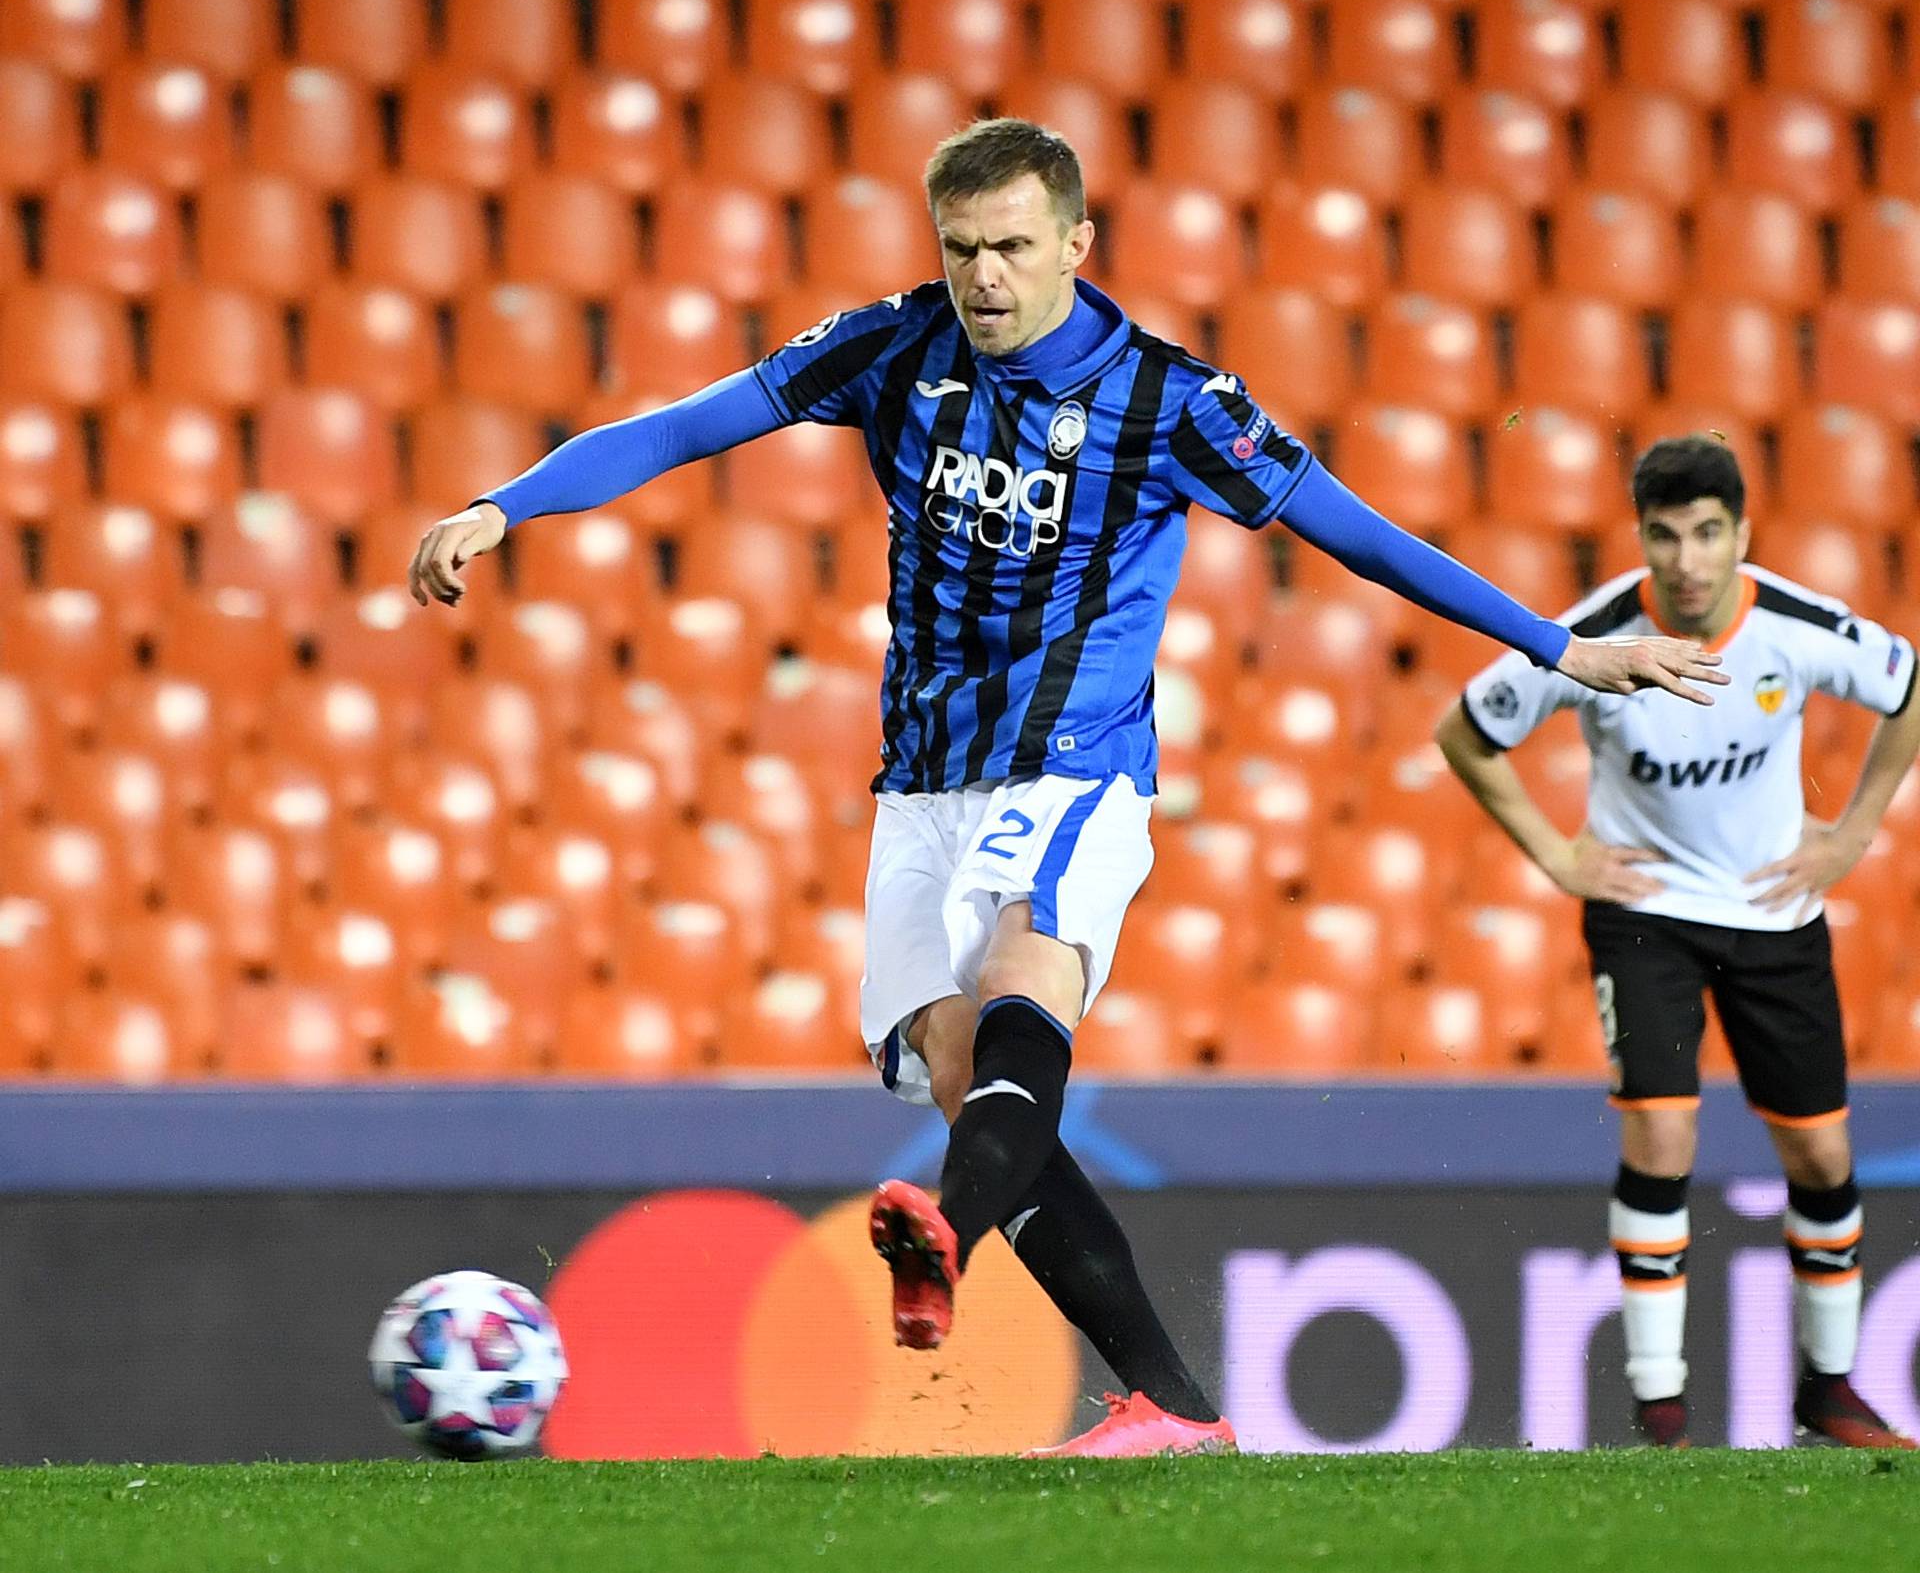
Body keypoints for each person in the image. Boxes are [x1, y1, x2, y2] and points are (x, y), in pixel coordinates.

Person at [410, 119, 1722, 1458]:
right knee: (962, 1065)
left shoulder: (1171, 400)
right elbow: (694, 423)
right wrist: (505, 505)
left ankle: (944, 1232)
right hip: (918, 777)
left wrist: (1563, 647)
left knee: (1028, 972)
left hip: (1078, 760)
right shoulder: (896, 343)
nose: (985, 276)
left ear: (1076, 244)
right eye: (964, 247)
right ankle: (1174, 1404)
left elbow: (1358, 531)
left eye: (1014, 248)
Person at [1437, 435, 1920, 1451]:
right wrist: (1557, 857)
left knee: (1822, 1148)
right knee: (1661, 1133)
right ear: (1643, 540)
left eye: (1709, 534)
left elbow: (1907, 683)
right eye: (1667, 536)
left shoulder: (1790, 625)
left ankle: (1829, 1385)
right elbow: (1465, 730)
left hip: (1773, 911)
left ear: (1743, 535)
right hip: (1645, 911)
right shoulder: (1599, 635)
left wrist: (1854, 830)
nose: (1689, 560)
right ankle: (1661, 1407)